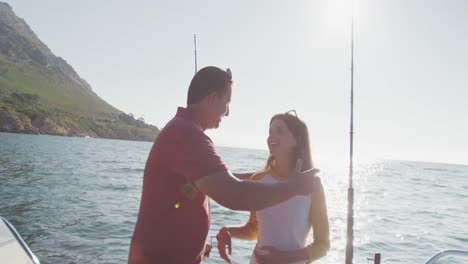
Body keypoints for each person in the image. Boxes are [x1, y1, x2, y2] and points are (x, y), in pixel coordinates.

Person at [128, 66, 320, 264]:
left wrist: (272, 175)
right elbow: (235, 194)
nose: (227, 112)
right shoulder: (187, 135)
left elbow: (216, 179)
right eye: (226, 103)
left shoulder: (183, 130)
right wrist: (293, 187)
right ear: (212, 99)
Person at [216, 111, 330, 264]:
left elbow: (323, 245)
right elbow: (254, 229)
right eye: (270, 132)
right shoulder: (258, 179)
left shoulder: (311, 185)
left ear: (297, 140)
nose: (271, 137)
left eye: (279, 131)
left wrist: (283, 258)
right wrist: (229, 231)